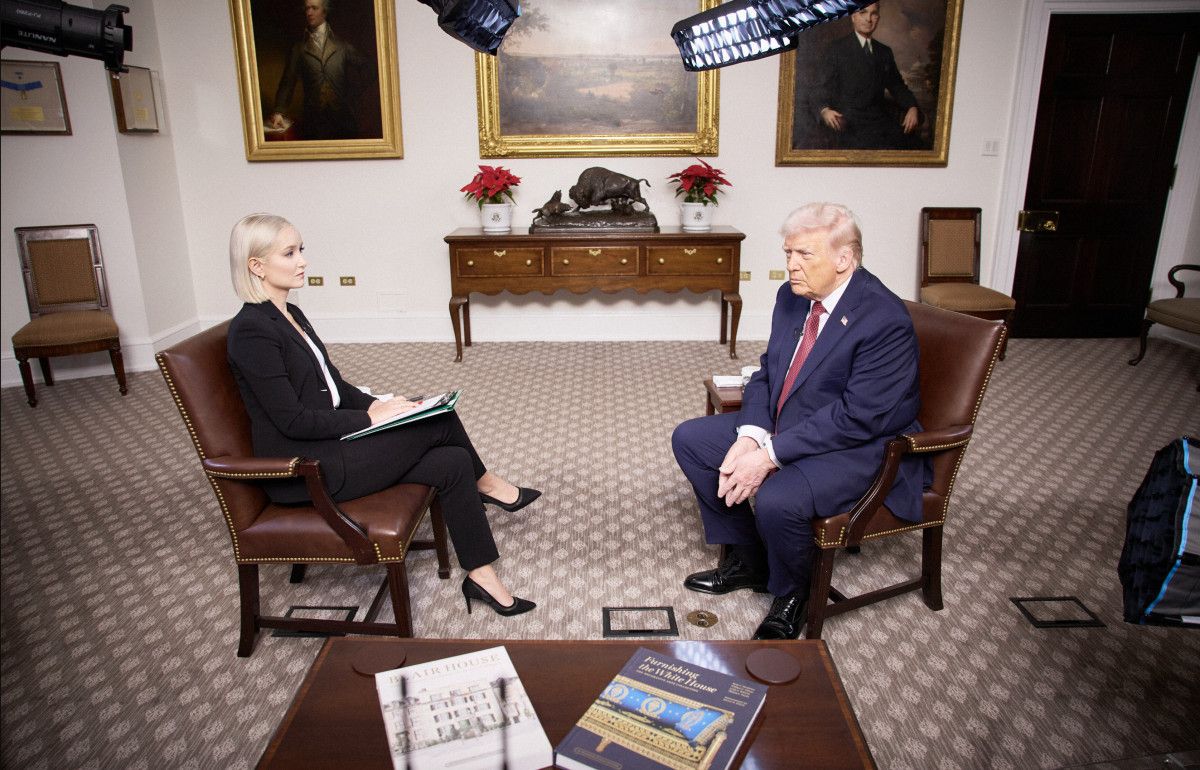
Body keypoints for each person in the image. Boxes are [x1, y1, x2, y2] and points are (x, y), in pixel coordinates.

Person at [226, 213, 539, 617]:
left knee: (451, 459)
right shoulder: (252, 330)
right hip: (305, 468)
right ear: (256, 265)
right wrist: (371, 420)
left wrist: (375, 406)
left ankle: (481, 575)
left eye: (301, 249)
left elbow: (334, 385)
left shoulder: (290, 315)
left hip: (331, 445)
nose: (302, 260)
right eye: (289, 253)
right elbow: (293, 421)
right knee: (438, 420)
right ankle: (489, 484)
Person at [672, 203, 926, 640]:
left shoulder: (884, 319)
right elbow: (769, 371)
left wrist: (768, 455)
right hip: (796, 421)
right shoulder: (791, 297)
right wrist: (751, 435)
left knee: (778, 498)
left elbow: (857, 418)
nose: (791, 265)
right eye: (788, 253)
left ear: (844, 259)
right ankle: (749, 561)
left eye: (805, 254)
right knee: (692, 440)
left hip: (861, 445)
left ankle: (794, 594)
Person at [814, 2, 922, 150]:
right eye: (863, 12)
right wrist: (824, 110)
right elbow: (820, 88)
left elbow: (897, 86)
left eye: (874, 14)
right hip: (849, 123)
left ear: (878, 18)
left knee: (915, 147)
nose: (868, 19)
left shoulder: (884, 52)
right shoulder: (836, 49)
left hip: (879, 121)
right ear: (853, 16)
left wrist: (912, 107)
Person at [268, 0, 369, 140]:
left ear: (325, 12)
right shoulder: (299, 49)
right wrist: (279, 111)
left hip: (343, 120)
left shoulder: (342, 46)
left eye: (314, 8)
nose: (309, 13)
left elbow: (369, 68)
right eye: (307, 9)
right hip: (313, 122)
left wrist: (353, 91)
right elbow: (287, 82)